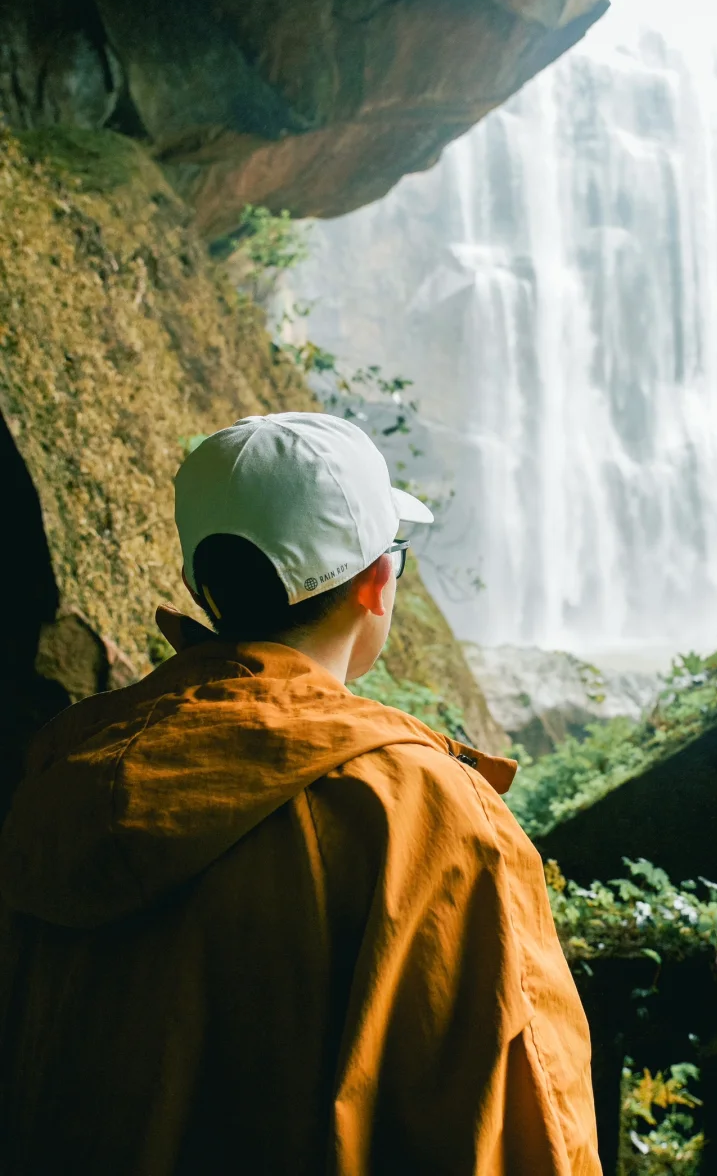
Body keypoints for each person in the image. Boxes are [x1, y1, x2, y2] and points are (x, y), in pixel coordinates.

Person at [0, 412, 601, 1175]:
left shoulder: (61, 773)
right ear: (377, 584)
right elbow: (525, 1115)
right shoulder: (428, 811)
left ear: (201, 587)